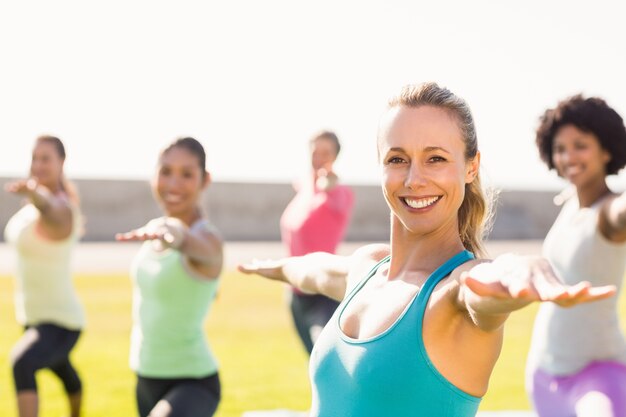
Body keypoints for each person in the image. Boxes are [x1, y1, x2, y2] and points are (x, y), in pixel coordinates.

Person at [239, 82, 616, 417]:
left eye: (435, 158)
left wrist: (519, 267)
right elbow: (315, 269)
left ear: (471, 167)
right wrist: (276, 266)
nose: (414, 179)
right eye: (397, 159)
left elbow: (485, 284)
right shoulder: (366, 269)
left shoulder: (456, 293)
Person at [526, 95, 626, 417]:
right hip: (544, 374)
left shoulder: (608, 214)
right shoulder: (570, 202)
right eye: (560, 148)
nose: (568, 156)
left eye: (580, 145)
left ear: (606, 150)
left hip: (597, 380)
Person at [116, 137, 223, 417]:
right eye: (166, 172)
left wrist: (177, 235)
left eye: (186, 174)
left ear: (204, 180)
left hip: (193, 381)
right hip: (145, 374)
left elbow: (195, 246)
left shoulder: (208, 239)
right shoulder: (153, 231)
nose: (174, 183)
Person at [4, 135, 85, 417]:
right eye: (34, 158)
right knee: (62, 369)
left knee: (22, 362)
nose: (38, 165)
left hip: (61, 321)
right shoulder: (29, 209)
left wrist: (36, 194)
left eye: (46, 158)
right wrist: (33, 196)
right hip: (33, 318)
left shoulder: (63, 209)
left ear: (62, 163)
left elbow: (51, 209)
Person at [280, 130, 354, 354]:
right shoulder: (305, 189)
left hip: (322, 293)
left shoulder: (339, 194)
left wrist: (328, 185)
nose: (319, 157)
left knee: (328, 359)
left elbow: (333, 189)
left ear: (335, 157)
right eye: (315, 151)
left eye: (326, 153)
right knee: (312, 363)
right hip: (295, 293)